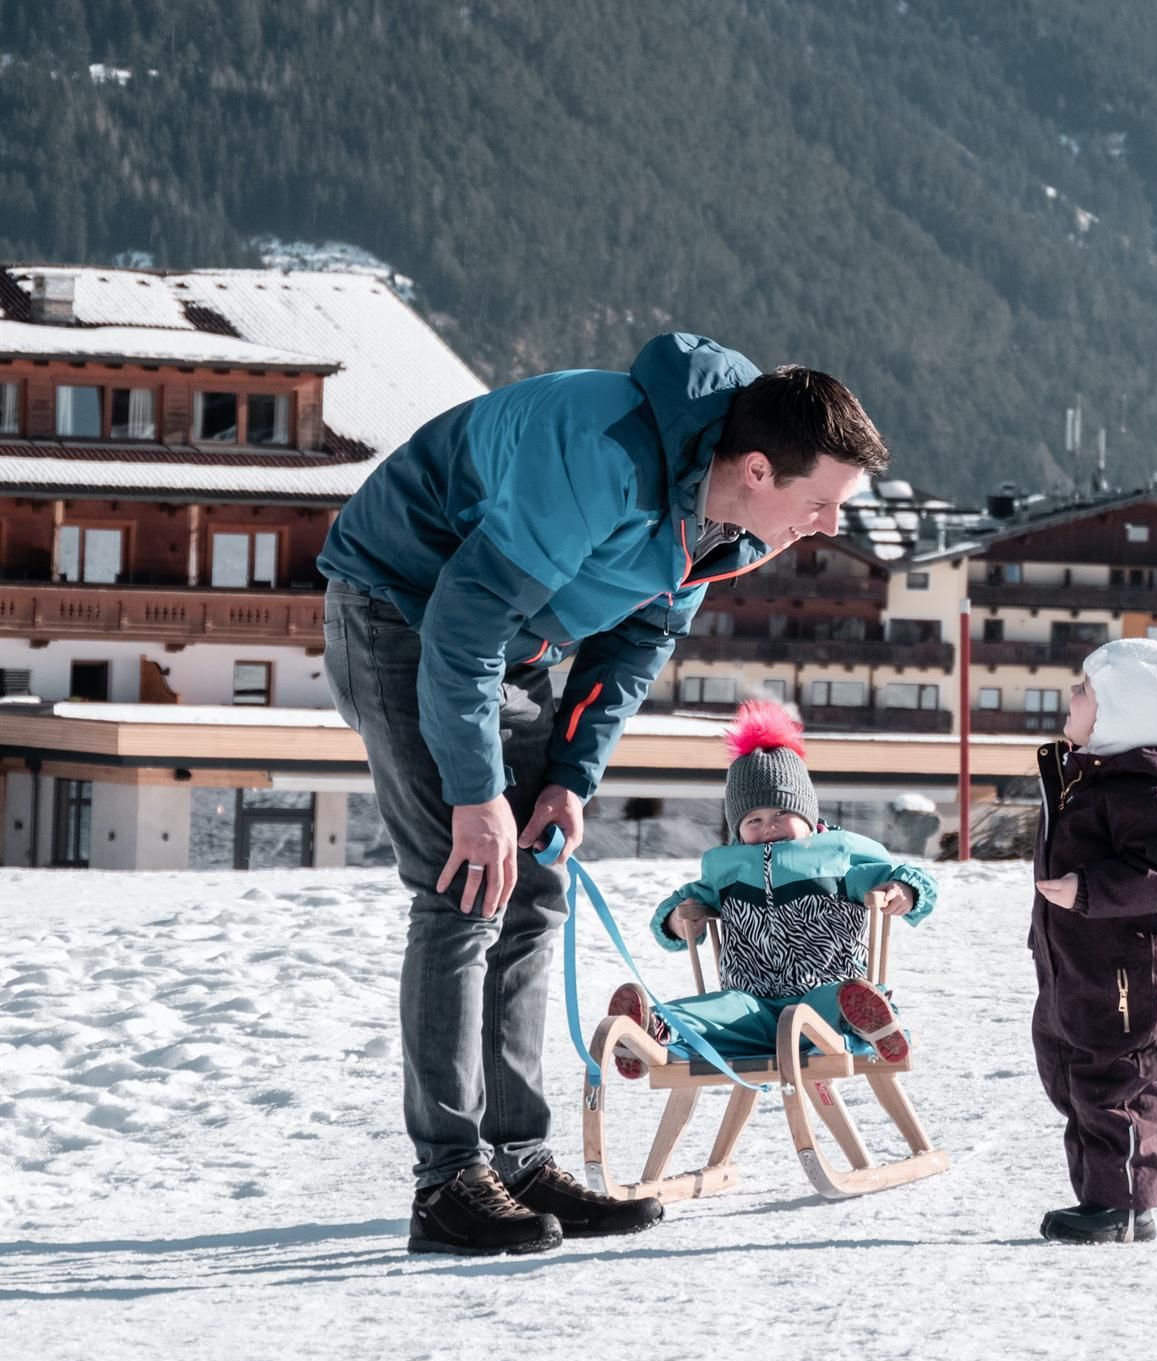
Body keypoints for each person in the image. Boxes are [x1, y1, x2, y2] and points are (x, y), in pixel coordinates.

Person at [317, 335, 889, 1255]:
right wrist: (477, 795)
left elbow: (635, 644)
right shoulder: (600, 460)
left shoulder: (733, 526)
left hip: (512, 644)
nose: (828, 526)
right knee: (466, 888)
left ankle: (517, 1160)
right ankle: (448, 1181)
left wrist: (569, 779)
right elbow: (462, 624)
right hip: (401, 612)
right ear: (757, 469)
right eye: (820, 503)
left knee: (533, 892)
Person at [606, 701, 937, 1064]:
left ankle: (869, 1022)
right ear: (738, 827)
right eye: (754, 820)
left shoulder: (838, 853)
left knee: (839, 999)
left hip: (822, 996)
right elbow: (682, 905)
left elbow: (903, 874)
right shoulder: (725, 867)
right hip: (751, 1005)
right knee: (717, 1009)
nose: (769, 827)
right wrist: (677, 920)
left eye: (782, 812)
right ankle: (654, 1029)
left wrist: (904, 890)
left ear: (807, 813)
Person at [1029, 638, 1157, 1244]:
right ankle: (1100, 1198)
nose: (1071, 695)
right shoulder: (1097, 776)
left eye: (1085, 689)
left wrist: (1087, 889)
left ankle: (1126, 1207)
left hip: (1133, 975)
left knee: (1118, 1087)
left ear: (1122, 710)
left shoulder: (1151, 791)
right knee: (1077, 1082)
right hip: (1080, 966)